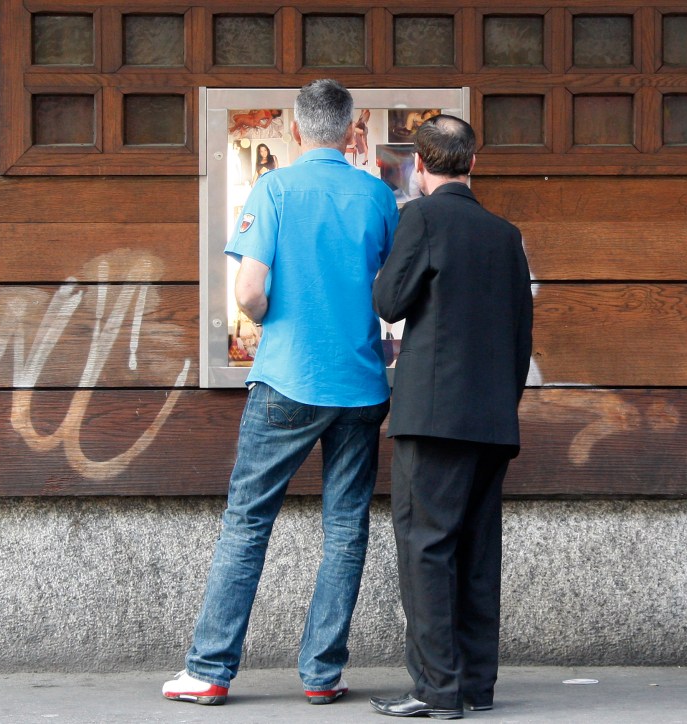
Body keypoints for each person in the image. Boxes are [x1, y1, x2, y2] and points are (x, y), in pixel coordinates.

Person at [162, 79, 399, 706]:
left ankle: (210, 669)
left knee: (248, 522)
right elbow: (395, 293)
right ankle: (322, 675)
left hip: (288, 378)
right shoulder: (378, 196)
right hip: (360, 384)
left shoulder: (274, 188)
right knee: (345, 527)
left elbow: (247, 291)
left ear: (295, 130)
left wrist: (274, 319)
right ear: (353, 131)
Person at [369, 115, 533, 719]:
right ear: (473, 163)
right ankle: (475, 686)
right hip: (492, 419)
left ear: (418, 165)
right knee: (476, 551)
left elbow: (389, 300)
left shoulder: (422, 217)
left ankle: (436, 690)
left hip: (433, 416)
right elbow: (522, 335)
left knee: (426, 549)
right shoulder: (504, 233)